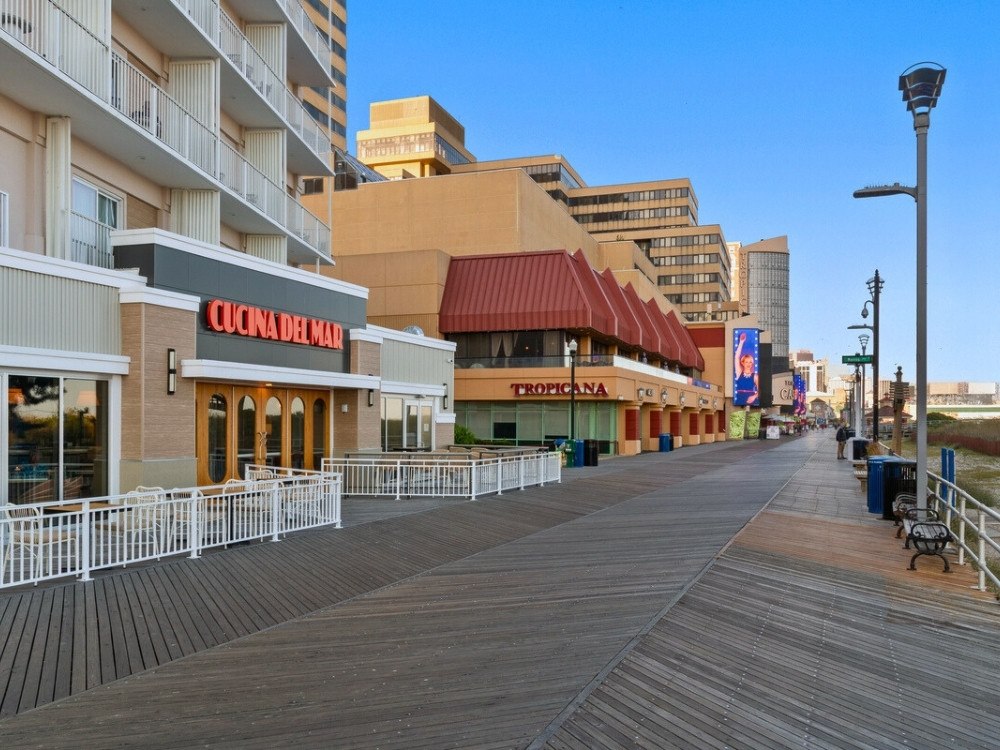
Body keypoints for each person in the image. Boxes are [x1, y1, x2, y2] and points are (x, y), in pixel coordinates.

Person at [733, 332, 759, 405]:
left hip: (751, 400)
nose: (748, 364)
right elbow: (736, 357)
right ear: (742, 363)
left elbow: (761, 390)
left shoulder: (755, 376)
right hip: (740, 400)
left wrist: (754, 396)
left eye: (750, 362)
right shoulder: (739, 373)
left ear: (752, 363)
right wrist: (741, 342)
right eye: (746, 362)